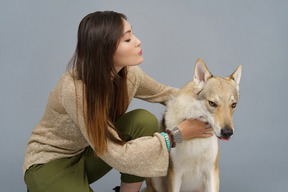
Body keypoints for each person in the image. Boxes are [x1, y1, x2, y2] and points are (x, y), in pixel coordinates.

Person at [23, 11, 213, 192]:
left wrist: (210, 100)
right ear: (104, 50)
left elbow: (166, 94)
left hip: (88, 153)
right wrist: (176, 136)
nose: (138, 41)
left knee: (143, 120)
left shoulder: (129, 74)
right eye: (128, 39)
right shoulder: (75, 90)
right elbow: (117, 155)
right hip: (50, 163)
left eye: (133, 34)